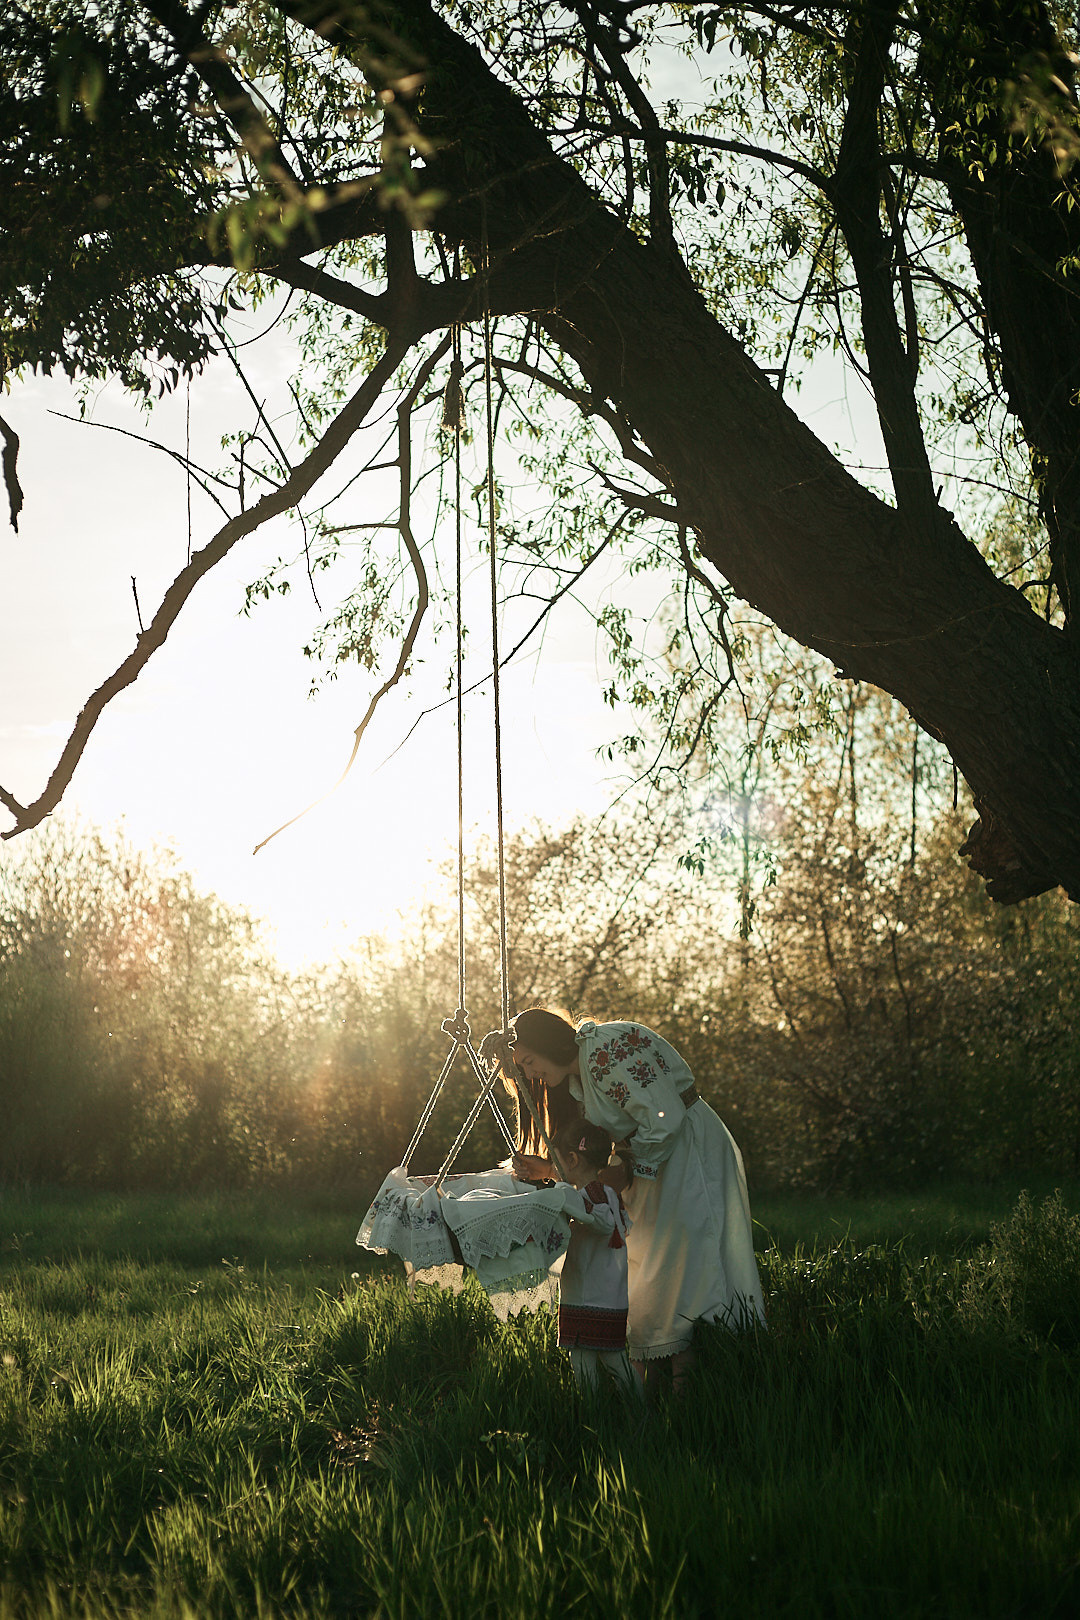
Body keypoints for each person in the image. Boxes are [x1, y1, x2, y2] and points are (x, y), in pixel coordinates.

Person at [507, 1007, 765, 1388]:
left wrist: (627, 1167)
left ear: (548, 1044)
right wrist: (551, 1170)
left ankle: (684, 1384)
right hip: (651, 1157)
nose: (530, 1074)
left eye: (529, 1061)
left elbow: (666, 1119)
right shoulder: (581, 1076)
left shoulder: (606, 1050)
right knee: (648, 1262)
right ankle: (654, 1375)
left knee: (678, 1261)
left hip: (683, 1151)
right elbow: (602, 1146)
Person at [548, 1117, 638, 1396]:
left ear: (573, 1159)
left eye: (556, 1160)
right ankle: (637, 1413)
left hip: (588, 1295)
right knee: (614, 1359)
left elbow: (603, 1224)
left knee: (587, 1362)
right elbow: (622, 1226)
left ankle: (597, 1417)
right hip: (608, 1293)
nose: (553, 1168)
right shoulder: (608, 1193)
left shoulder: (589, 1195)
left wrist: (566, 1201)